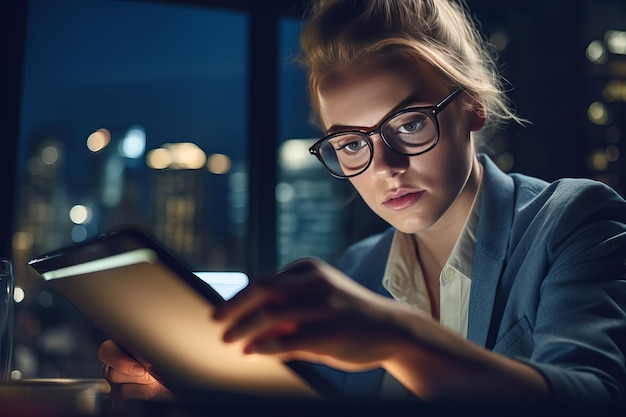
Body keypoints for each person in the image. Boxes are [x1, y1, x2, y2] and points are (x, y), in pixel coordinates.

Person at [98, 0, 626, 404]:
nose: (386, 166)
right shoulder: (359, 267)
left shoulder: (575, 222)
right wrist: (197, 390)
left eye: (409, 123)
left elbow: (597, 397)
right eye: (352, 143)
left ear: (474, 108)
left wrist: (400, 338)